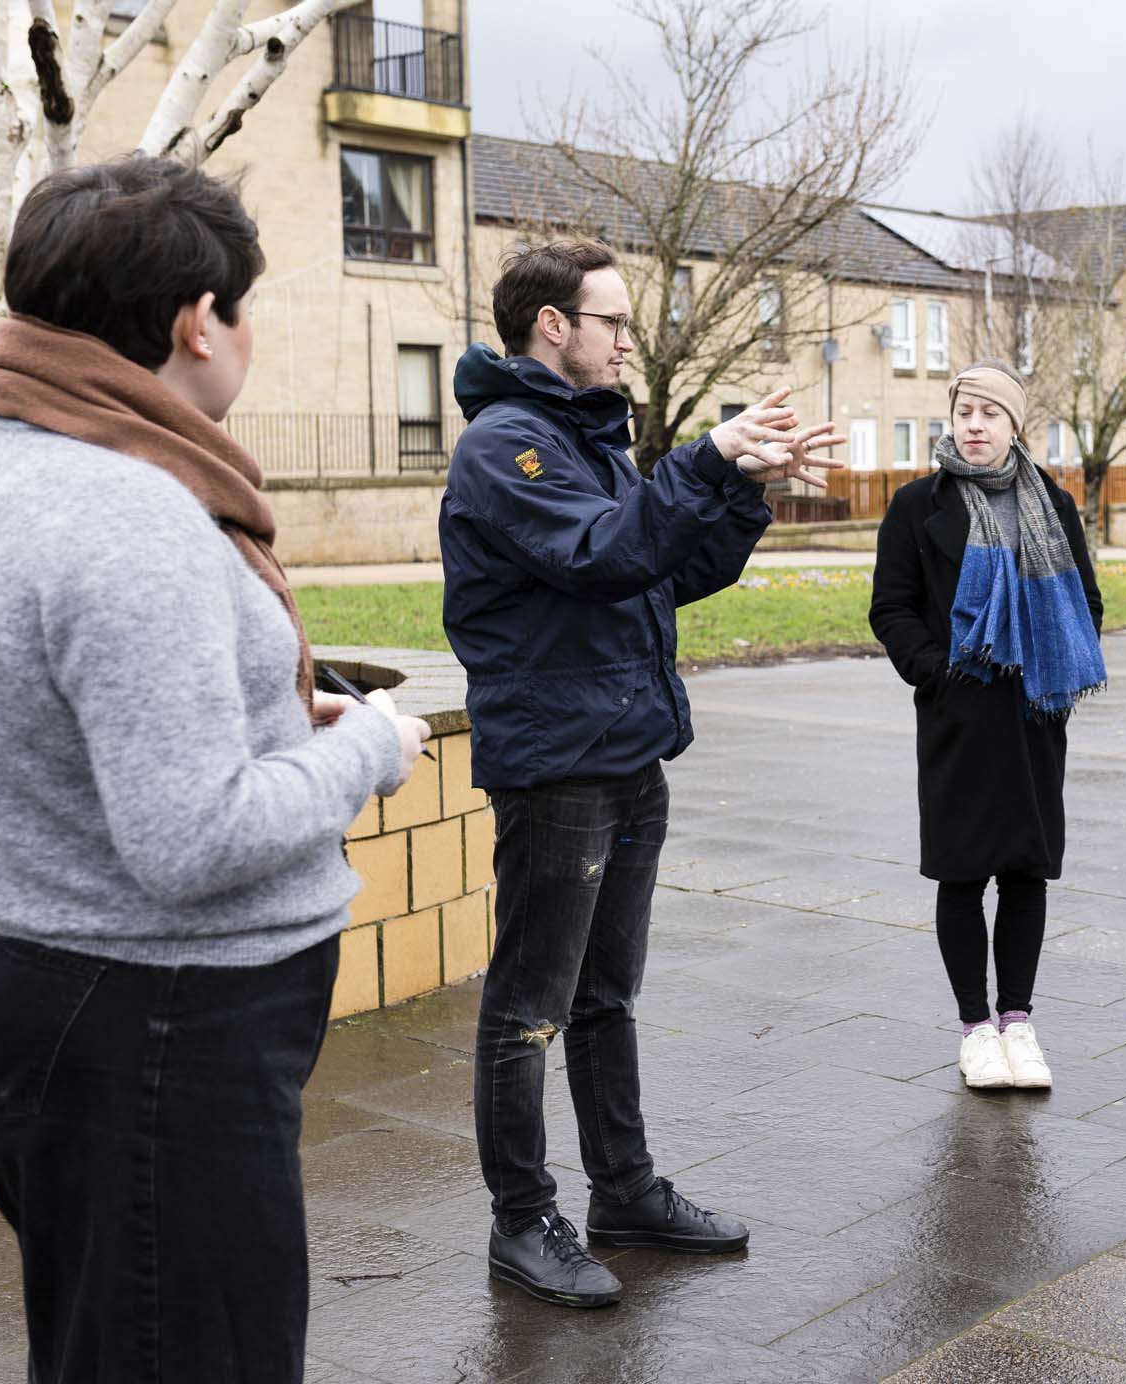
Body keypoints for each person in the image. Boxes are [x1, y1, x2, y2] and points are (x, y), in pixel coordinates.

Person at [0, 156, 429, 1382]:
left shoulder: (15, 450)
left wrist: (262, 704)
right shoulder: (125, 510)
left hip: (69, 1002)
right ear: (202, 321)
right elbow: (191, 841)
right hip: (157, 1038)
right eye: (248, 306)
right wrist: (365, 743)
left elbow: (72, 700)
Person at [441, 240, 840, 1307]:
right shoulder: (508, 448)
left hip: (627, 757)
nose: (628, 340)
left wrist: (742, 488)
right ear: (551, 326)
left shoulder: (590, 439)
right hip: (559, 769)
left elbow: (673, 567)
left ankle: (624, 1191)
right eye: (611, 321)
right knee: (529, 1005)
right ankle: (521, 1220)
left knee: (606, 994)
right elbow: (603, 553)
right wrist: (706, 458)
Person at [868, 361, 1107, 1092]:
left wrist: (1051, 669)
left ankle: (1019, 1024)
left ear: (1014, 425)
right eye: (964, 411)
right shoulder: (916, 506)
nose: (974, 424)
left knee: (1026, 871)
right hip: (960, 716)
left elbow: (1087, 605)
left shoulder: (1054, 505)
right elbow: (891, 609)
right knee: (962, 872)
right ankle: (975, 1030)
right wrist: (937, 673)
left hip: (1033, 715)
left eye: (989, 413)